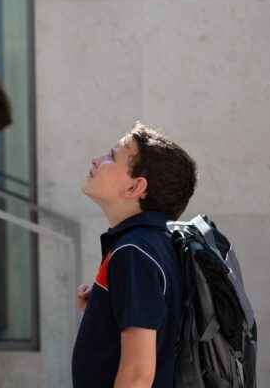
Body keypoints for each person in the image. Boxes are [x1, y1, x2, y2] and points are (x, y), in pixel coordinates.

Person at [72, 122, 197, 388]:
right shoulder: (154, 243)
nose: (96, 160)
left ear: (134, 188)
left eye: (111, 156)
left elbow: (138, 374)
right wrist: (105, 306)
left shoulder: (134, 252)